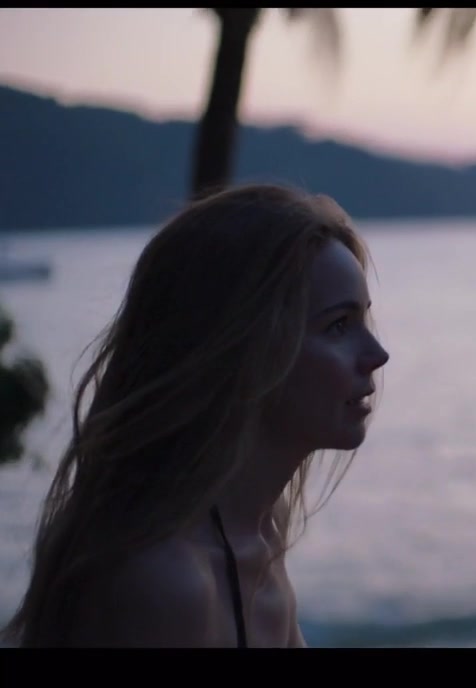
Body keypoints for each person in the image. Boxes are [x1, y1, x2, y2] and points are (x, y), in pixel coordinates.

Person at [1, 183, 391, 647]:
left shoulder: (256, 532)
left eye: (363, 320)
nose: (377, 355)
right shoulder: (164, 583)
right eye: (339, 325)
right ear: (241, 348)